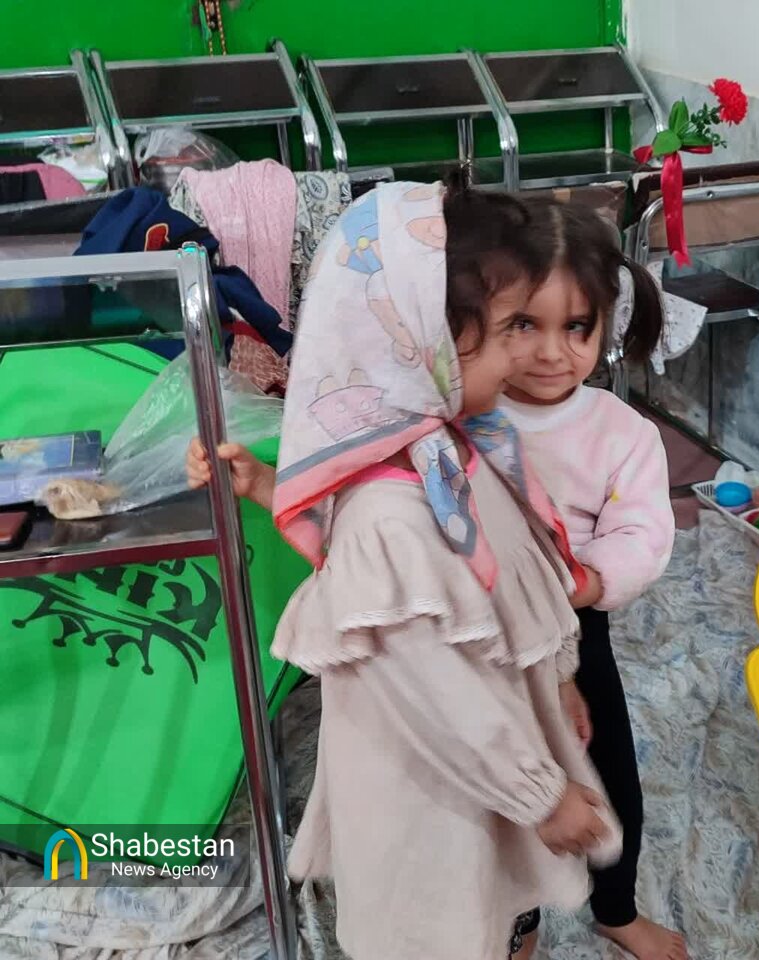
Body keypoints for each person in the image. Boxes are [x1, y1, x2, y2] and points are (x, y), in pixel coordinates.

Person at [231, 177, 621, 959]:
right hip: (437, 800)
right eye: (509, 330)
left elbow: (514, 579)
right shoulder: (390, 510)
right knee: (446, 923)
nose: (524, 354)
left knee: (502, 909)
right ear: (417, 341)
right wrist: (540, 795)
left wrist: (559, 677)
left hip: (499, 771)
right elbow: (435, 687)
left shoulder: (451, 452)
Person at [498, 196, 686, 960]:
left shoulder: (621, 432)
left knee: (611, 782)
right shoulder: (467, 415)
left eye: (576, 327)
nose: (552, 352)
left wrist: (588, 581)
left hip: (578, 624)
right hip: (488, 633)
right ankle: (517, 922)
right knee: (503, 793)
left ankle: (615, 907)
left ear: (606, 323)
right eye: (525, 324)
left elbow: (644, 533)